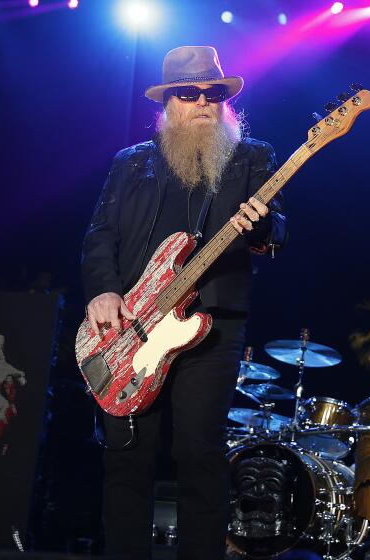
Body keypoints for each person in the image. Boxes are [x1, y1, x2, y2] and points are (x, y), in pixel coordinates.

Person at [81, 45, 286, 560]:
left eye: (213, 93)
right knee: (127, 455)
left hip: (212, 321)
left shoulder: (251, 157)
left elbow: (276, 233)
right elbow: (99, 235)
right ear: (169, 101)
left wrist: (259, 223)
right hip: (132, 325)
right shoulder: (131, 164)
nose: (203, 102)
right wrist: (103, 289)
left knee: (199, 452)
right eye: (189, 93)